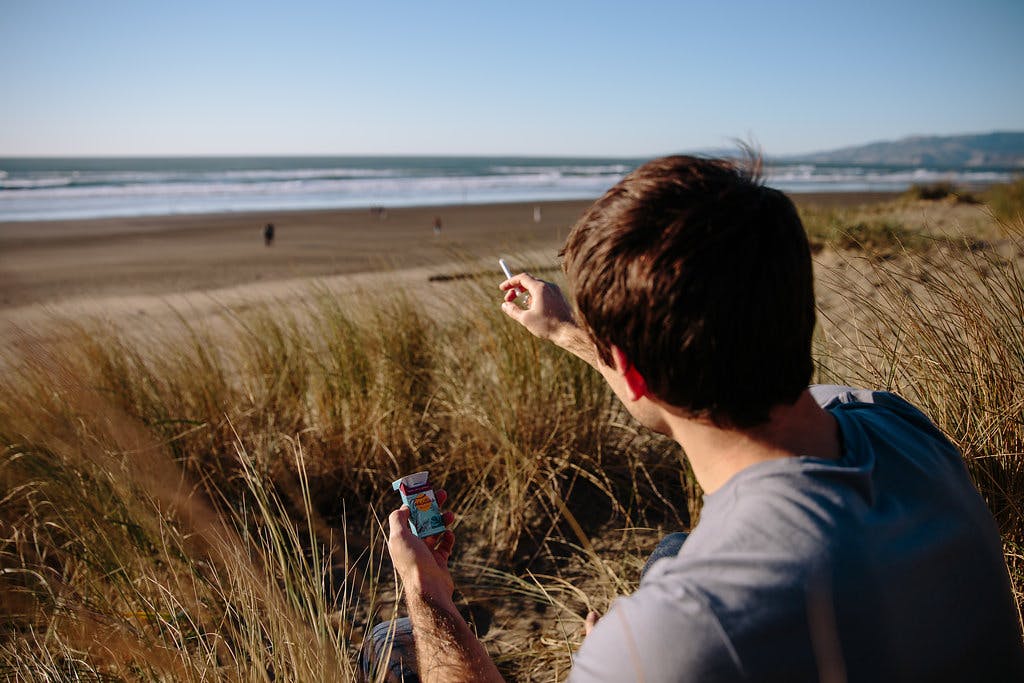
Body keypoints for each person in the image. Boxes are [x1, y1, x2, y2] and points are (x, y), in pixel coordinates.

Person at [379, 155, 1024, 682]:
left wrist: (427, 590)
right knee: (671, 552)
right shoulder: (896, 426)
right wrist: (571, 333)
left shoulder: (676, 639)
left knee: (395, 652)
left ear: (630, 371)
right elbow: (684, 376)